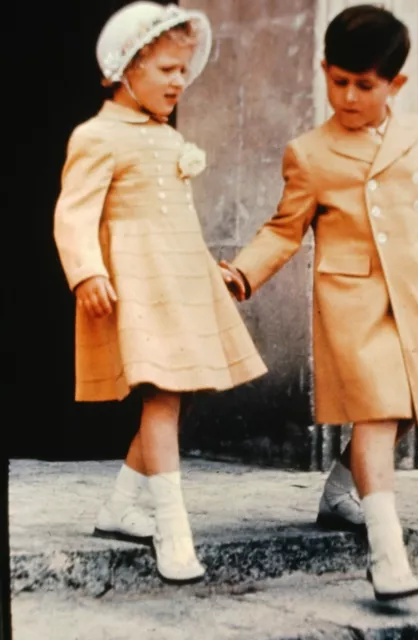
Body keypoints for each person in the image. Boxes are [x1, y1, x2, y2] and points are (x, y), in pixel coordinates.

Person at [220, 4, 418, 601]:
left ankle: (339, 492)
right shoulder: (310, 152)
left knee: (406, 411)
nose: (347, 97)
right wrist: (243, 273)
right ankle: (387, 553)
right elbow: (283, 228)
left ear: (394, 84)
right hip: (353, 302)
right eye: (337, 81)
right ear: (324, 69)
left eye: (364, 86)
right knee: (377, 414)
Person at [53, 1, 267, 586]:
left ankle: (121, 507)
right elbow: (73, 213)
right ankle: (173, 530)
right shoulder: (96, 136)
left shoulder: (169, 139)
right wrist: (87, 271)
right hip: (137, 284)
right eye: (167, 69)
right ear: (128, 69)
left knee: (181, 397)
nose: (180, 81)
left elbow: (177, 221)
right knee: (162, 397)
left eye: (183, 70)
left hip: (177, 280)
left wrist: (206, 274)